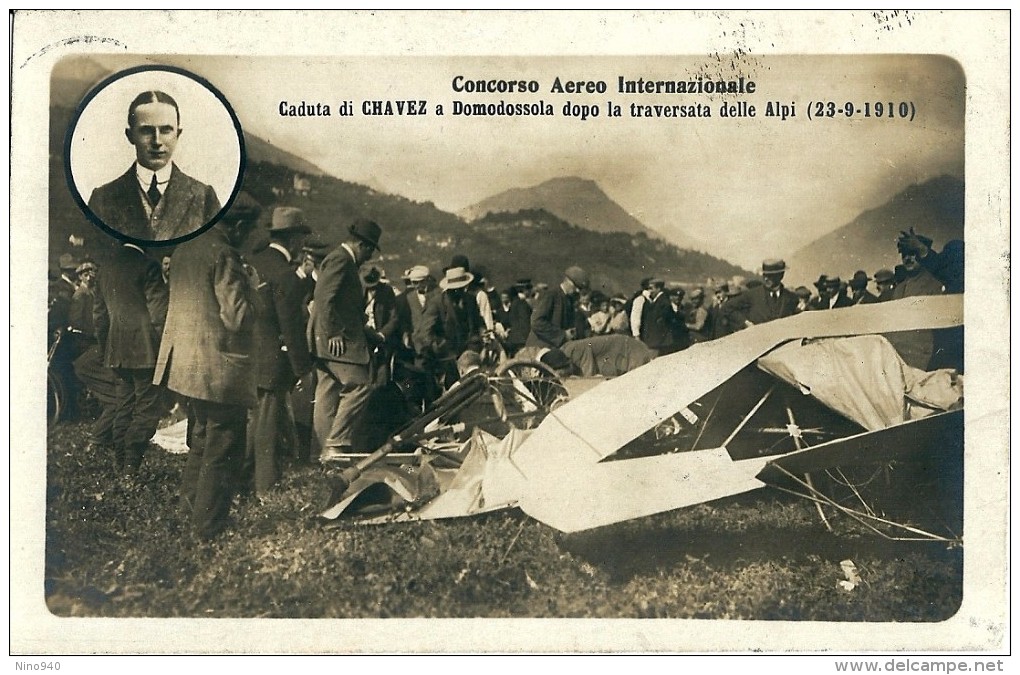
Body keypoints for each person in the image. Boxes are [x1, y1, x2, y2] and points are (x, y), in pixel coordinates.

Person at [154, 192, 262, 539]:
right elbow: (237, 318)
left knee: (201, 443)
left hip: (184, 367)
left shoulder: (186, 247)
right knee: (222, 446)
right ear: (240, 225)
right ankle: (207, 531)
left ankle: (188, 518)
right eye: (249, 230)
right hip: (217, 370)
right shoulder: (225, 254)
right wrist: (254, 288)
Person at [87, 91, 221, 242]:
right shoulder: (103, 199)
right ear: (130, 135)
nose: (157, 141)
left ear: (178, 134)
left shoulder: (204, 197)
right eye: (146, 131)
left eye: (166, 130)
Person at [246, 206, 314, 492]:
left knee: (254, 423)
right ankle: (265, 488)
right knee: (267, 428)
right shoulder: (285, 274)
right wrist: (303, 369)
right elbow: (291, 327)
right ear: (295, 239)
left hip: (249, 356)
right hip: (272, 361)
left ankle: (240, 478)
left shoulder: (254, 263)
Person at [309, 219, 384, 461]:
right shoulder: (342, 259)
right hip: (335, 340)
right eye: (370, 250)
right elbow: (323, 297)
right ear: (364, 246)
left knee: (328, 393)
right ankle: (337, 442)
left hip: (326, 340)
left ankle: (325, 452)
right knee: (360, 385)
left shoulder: (340, 259)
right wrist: (334, 333)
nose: (369, 257)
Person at [94, 242, 169, 476]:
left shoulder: (105, 267)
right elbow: (159, 315)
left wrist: (106, 347)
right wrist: (164, 348)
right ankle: (131, 466)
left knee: (124, 405)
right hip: (146, 351)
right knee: (147, 408)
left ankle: (120, 462)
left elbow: (99, 315)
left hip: (117, 350)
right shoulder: (148, 265)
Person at [527, 266, 589, 349]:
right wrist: (562, 335)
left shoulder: (569, 299)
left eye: (580, 288)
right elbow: (536, 322)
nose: (578, 291)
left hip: (556, 348)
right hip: (540, 348)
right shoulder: (551, 295)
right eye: (576, 286)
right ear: (567, 281)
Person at [744, 259, 799, 325]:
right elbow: (729, 308)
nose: (766, 278)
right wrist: (745, 323)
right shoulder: (753, 294)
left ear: (781, 275)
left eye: (770, 276)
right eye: (764, 275)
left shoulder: (792, 298)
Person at [638, 279, 674, 357]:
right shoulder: (658, 301)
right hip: (657, 340)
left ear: (658, 288)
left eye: (651, 288)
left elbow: (662, 321)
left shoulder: (663, 302)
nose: (650, 291)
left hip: (659, 340)